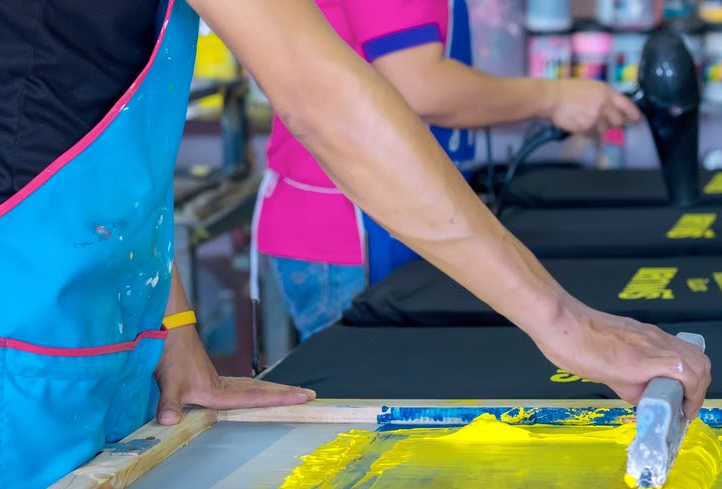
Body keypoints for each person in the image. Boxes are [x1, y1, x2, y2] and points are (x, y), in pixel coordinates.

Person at [0, 0, 709, 489]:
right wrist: (561, 321)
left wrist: (179, 328)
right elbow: (324, 93)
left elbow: (84, 133)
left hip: (72, 356)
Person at [253, 0, 642, 341]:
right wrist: (553, 98)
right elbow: (421, 87)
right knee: (377, 402)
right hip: (350, 230)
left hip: (383, 215)